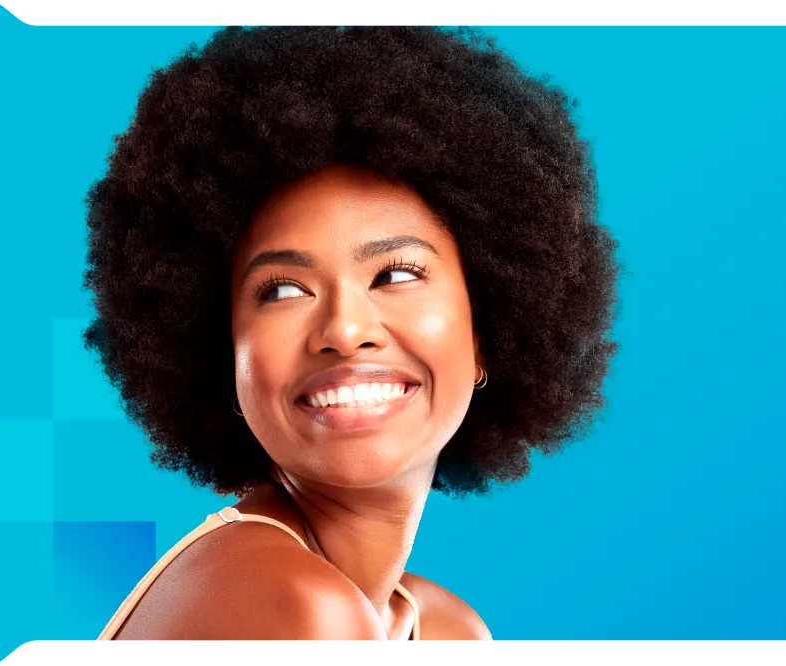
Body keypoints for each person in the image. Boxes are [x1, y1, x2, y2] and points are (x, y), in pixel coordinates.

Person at [78, 24, 620, 659]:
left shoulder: (443, 630)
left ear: (489, 333)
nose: (345, 329)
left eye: (395, 275)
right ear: (221, 353)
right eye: (281, 290)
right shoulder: (290, 607)